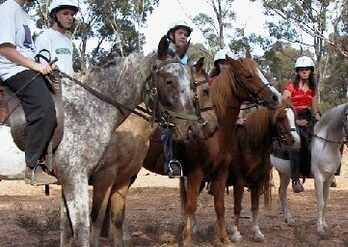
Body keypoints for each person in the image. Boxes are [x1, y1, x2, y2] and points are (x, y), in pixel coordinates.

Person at [0, 0, 58, 184]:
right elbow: (5, 48)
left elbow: (26, 49)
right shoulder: (8, 7)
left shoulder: (24, 13)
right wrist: (34, 65)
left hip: (26, 67)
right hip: (12, 70)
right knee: (45, 107)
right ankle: (33, 166)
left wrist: (44, 65)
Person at [281, 56, 320, 193]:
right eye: (301, 70)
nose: (304, 71)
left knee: (321, 139)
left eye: (307, 69)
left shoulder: (313, 88)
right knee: (296, 144)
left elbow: (314, 109)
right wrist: (295, 120)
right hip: (293, 116)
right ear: (297, 72)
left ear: (311, 71)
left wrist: (319, 121)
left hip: (308, 116)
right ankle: (295, 179)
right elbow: (283, 103)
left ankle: (328, 173)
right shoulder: (291, 87)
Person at [161, 20, 192, 178]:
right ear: (171, 35)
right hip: (166, 99)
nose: (184, 37)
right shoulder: (165, 53)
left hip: (182, 99)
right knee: (168, 127)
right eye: (180, 33)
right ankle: (171, 161)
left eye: (186, 35)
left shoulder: (185, 58)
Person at [35, 0, 78, 75]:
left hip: (68, 84)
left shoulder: (68, 41)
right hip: (52, 84)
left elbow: (69, 69)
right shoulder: (45, 37)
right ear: (55, 15)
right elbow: (43, 65)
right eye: (65, 13)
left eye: (72, 14)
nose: (70, 18)